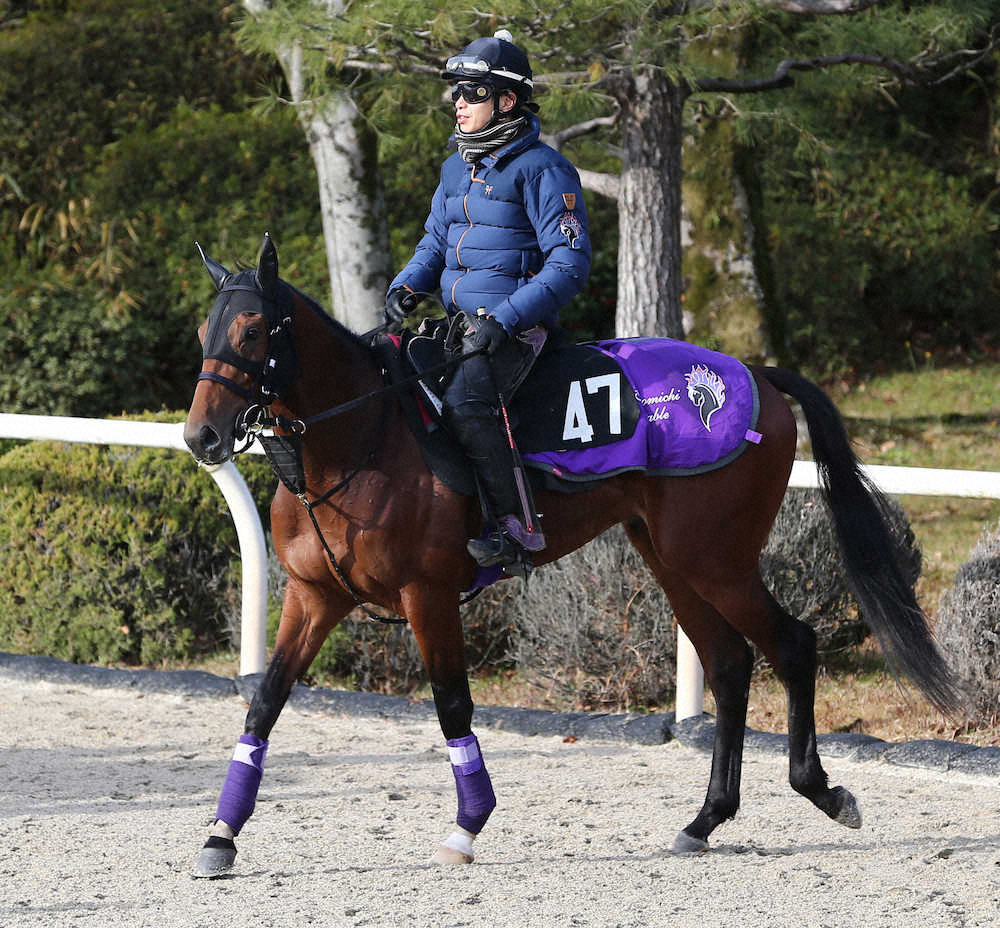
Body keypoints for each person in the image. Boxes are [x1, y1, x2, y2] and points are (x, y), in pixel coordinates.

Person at [385, 29, 591, 571]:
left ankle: (515, 530)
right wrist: (406, 285)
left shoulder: (546, 169)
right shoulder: (455, 167)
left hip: (519, 331)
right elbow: (434, 241)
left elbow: (569, 264)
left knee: (468, 403)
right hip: (457, 327)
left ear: (506, 101)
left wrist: (504, 319)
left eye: (472, 93)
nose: (459, 103)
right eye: (456, 92)